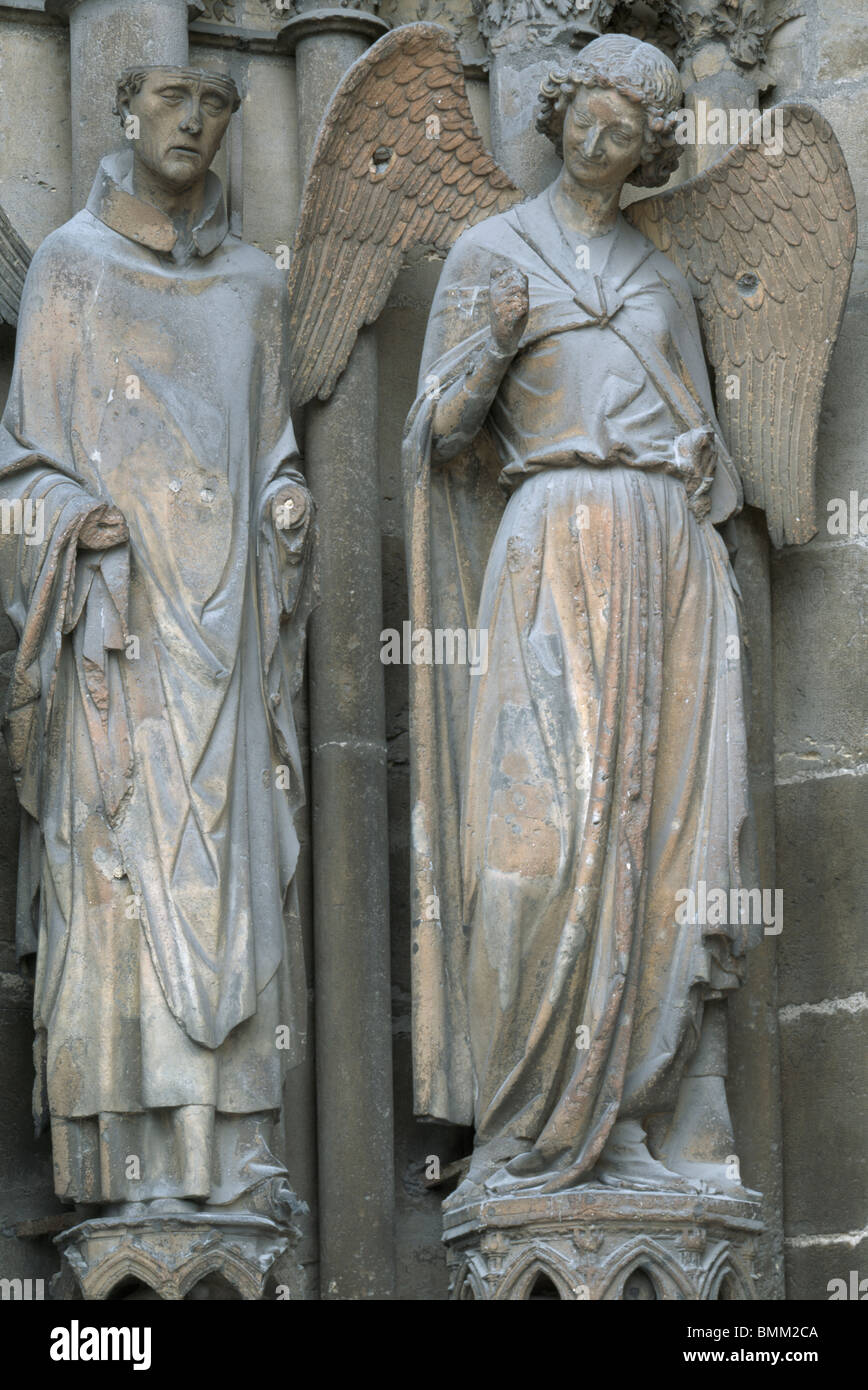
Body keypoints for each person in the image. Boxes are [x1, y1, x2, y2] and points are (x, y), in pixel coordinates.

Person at [405, 34, 760, 1199]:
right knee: (532, 849)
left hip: (661, 554)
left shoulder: (663, 276)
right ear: (558, 114)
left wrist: (691, 466)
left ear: (651, 148)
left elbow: (711, 461)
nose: (603, 142)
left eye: (629, 131)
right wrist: (498, 337)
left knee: (656, 848)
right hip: (546, 543)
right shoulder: (488, 249)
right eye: (589, 117)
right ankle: (519, 1125)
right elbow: (438, 438)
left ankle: (626, 1120)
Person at [0, 65, 314, 1216]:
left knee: (229, 882)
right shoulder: (68, 269)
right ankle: (126, 1159)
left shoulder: (251, 287)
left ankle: (226, 1152)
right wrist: (69, 525)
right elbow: (17, 472)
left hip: (226, 649)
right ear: (125, 114)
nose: (193, 121)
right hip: (114, 642)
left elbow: (274, 442)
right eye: (172, 100)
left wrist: (287, 505)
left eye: (218, 104)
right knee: (115, 882)